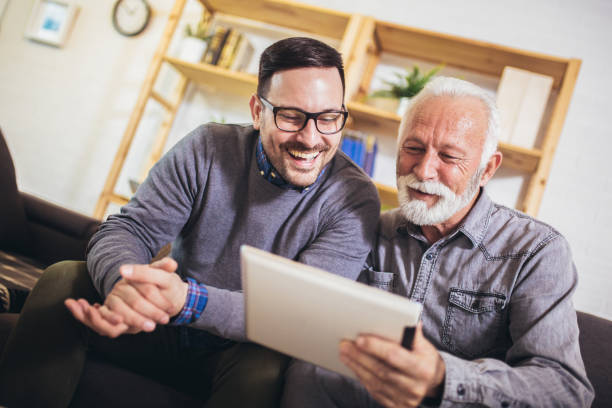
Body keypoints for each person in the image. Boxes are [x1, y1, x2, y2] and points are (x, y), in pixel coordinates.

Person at [0, 37, 380, 408]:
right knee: (63, 278)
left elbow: (298, 312)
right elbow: (129, 229)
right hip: (159, 323)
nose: (311, 138)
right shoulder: (209, 148)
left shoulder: (353, 199)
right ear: (257, 111)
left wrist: (187, 301)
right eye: (291, 116)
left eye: (329, 118)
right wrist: (124, 285)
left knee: (268, 366)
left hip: (237, 352)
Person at [281, 77, 594, 408]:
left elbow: (564, 390)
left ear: (487, 169)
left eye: (448, 156)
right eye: (413, 148)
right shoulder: (369, 228)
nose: (424, 170)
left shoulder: (536, 251)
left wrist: (442, 378)